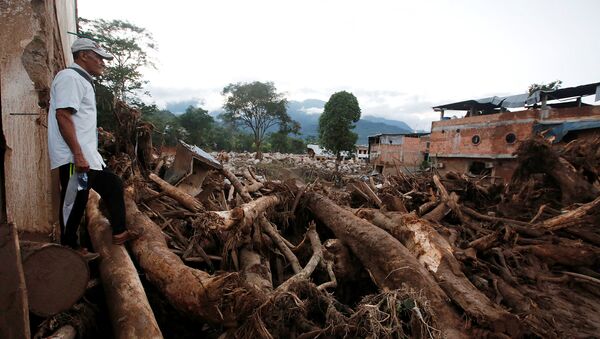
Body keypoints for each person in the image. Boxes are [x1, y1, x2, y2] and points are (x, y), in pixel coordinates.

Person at [48, 38, 137, 253]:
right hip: (75, 158)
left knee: (113, 184)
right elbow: (63, 115)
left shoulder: (82, 80)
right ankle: (68, 248)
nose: (102, 62)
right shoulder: (70, 78)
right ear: (83, 55)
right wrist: (78, 154)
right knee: (74, 201)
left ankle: (119, 232)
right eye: (99, 57)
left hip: (89, 156)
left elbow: (76, 118)